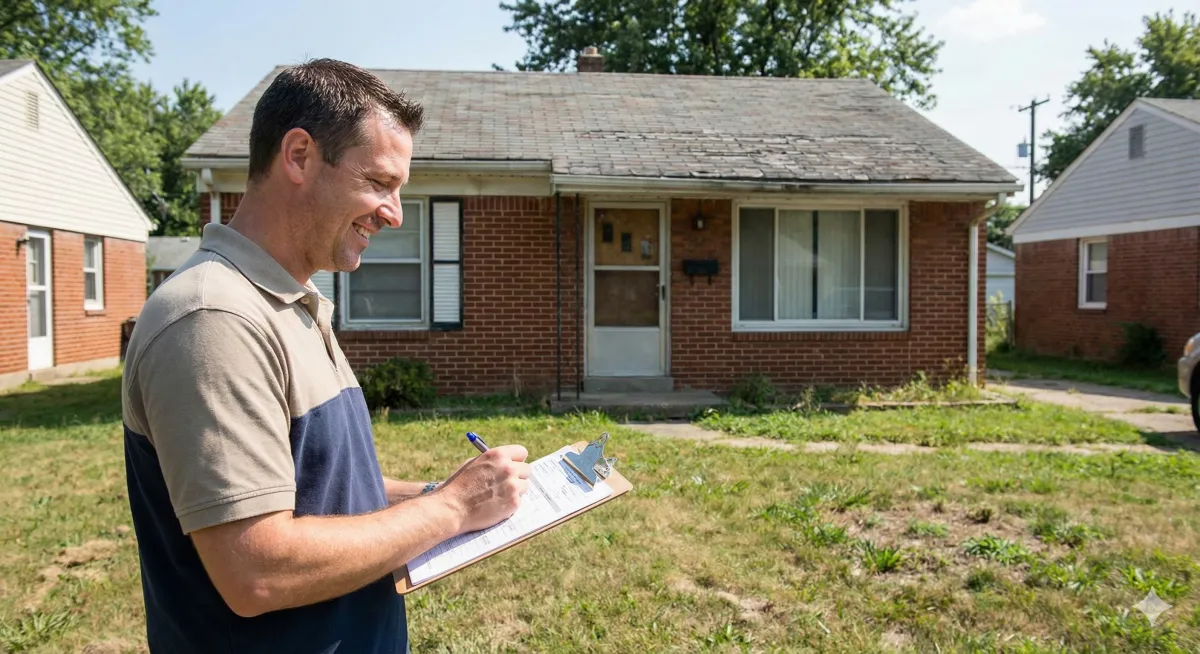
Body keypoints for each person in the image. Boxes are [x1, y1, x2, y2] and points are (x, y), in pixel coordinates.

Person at [121, 58, 532, 653]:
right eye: (379, 183)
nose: (393, 212)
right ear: (299, 156)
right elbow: (255, 570)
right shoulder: (215, 318)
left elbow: (315, 489)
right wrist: (452, 509)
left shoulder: (290, 300)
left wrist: (437, 493)